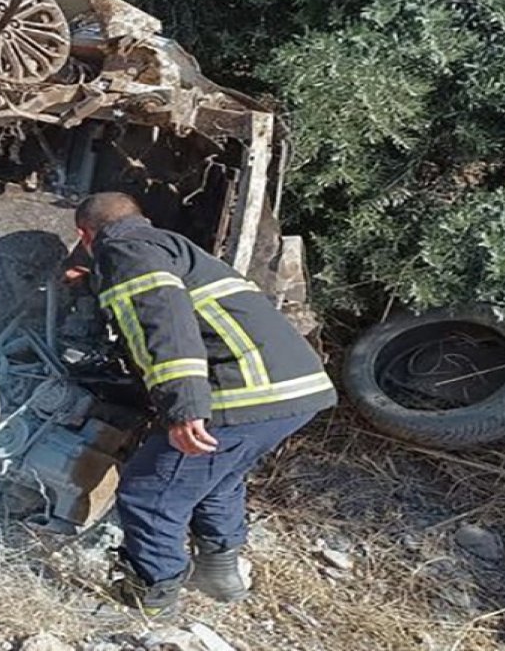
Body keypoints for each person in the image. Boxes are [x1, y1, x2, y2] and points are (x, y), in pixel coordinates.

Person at [68, 192, 337, 618]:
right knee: (216, 478)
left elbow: (165, 323)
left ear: (85, 235)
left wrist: (184, 408)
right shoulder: (162, 246)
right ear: (144, 217)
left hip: (244, 392)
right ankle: (219, 572)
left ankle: (151, 598)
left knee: (149, 492)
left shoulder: (125, 250)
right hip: (295, 390)